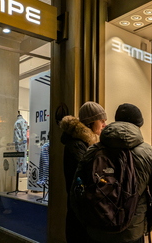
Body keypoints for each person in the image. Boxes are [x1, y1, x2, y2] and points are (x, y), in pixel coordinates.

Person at [87, 103, 152, 243]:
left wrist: (88, 222)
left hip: (98, 232)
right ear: (138, 125)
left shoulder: (93, 151)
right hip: (133, 233)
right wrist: (145, 225)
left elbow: (76, 193)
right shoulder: (148, 153)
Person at [60, 101, 107, 243]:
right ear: (91, 122)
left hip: (84, 211)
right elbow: (87, 176)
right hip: (80, 213)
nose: (105, 124)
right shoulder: (76, 145)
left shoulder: (86, 144)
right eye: (102, 120)